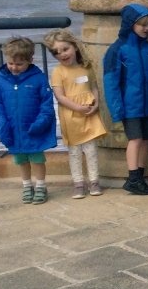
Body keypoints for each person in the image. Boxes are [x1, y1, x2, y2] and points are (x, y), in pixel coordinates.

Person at [0, 37, 57, 204]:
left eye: (19, 64)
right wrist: (2, 125)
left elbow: (46, 104)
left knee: (37, 158)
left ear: (30, 60)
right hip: (13, 129)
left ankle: (40, 185)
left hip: (33, 128)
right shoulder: (0, 81)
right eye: (11, 63)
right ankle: (27, 185)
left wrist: (41, 123)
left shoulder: (38, 79)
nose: (14, 67)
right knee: (21, 160)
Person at [44, 29, 108, 199]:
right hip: (71, 114)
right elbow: (60, 96)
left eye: (65, 49)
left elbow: (93, 86)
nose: (62, 54)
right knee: (74, 151)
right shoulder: (58, 71)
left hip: (90, 112)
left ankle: (94, 180)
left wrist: (96, 102)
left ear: (74, 46)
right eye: (57, 52)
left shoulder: (86, 66)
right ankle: (78, 182)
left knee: (91, 149)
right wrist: (77, 108)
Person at [103, 3, 148, 196]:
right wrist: (117, 110)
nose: (147, 28)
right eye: (142, 24)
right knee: (135, 140)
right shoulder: (117, 50)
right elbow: (111, 82)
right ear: (130, 24)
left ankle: (139, 177)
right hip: (131, 106)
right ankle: (132, 178)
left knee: (145, 140)